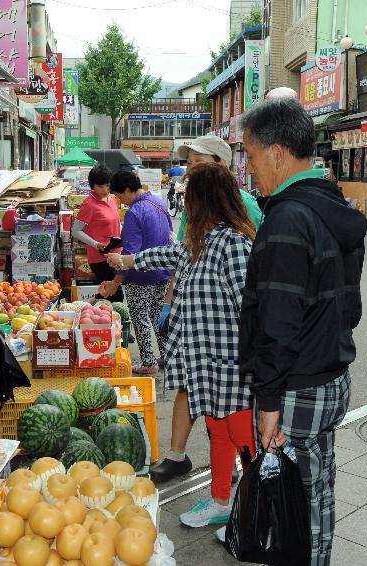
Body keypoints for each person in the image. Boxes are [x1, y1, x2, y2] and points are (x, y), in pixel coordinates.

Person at [238, 96, 366, 566]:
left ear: (276, 153)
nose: (249, 170)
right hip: (330, 376)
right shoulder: (331, 207)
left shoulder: (289, 218)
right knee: (316, 494)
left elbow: (277, 322)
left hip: (296, 387)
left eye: (250, 156)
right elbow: (349, 307)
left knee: (293, 504)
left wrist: (269, 404)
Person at [106, 162, 256, 537]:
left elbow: (251, 307)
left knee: (245, 441)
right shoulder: (199, 241)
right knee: (218, 433)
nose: (184, 205)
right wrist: (127, 260)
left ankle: (258, 509)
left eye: (190, 198)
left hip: (232, 367)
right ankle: (221, 501)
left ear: (206, 201)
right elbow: (164, 256)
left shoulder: (233, 243)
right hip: (207, 365)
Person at [150, 134, 263, 484]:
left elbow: (248, 295)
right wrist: (171, 301)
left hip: (227, 352)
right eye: (190, 164)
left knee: (235, 425)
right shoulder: (200, 221)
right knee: (208, 411)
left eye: (199, 164)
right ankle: (215, 489)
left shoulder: (235, 228)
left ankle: (245, 495)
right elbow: (181, 254)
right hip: (200, 340)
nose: (190, 173)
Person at [99, 171, 173, 375]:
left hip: (141, 276)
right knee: (158, 315)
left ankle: (149, 361)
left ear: (128, 190)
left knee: (140, 318)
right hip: (163, 271)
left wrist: (115, 282)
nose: (121, 201)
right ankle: (166, 355)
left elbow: (130, 255)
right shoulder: (159, 203)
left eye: (120, 196)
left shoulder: (135, 212)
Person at [72, 164, 124, 302]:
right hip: (100, 258)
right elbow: (75, 231)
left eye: (107, 185)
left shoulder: (112, 198)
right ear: (92, 186)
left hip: (117, 254)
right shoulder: (89, 204)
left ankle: (89, 307)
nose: (105, 189)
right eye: (100, 186)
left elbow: (115, 222)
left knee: (111, 292)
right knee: (116, 295)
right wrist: (95, 244)